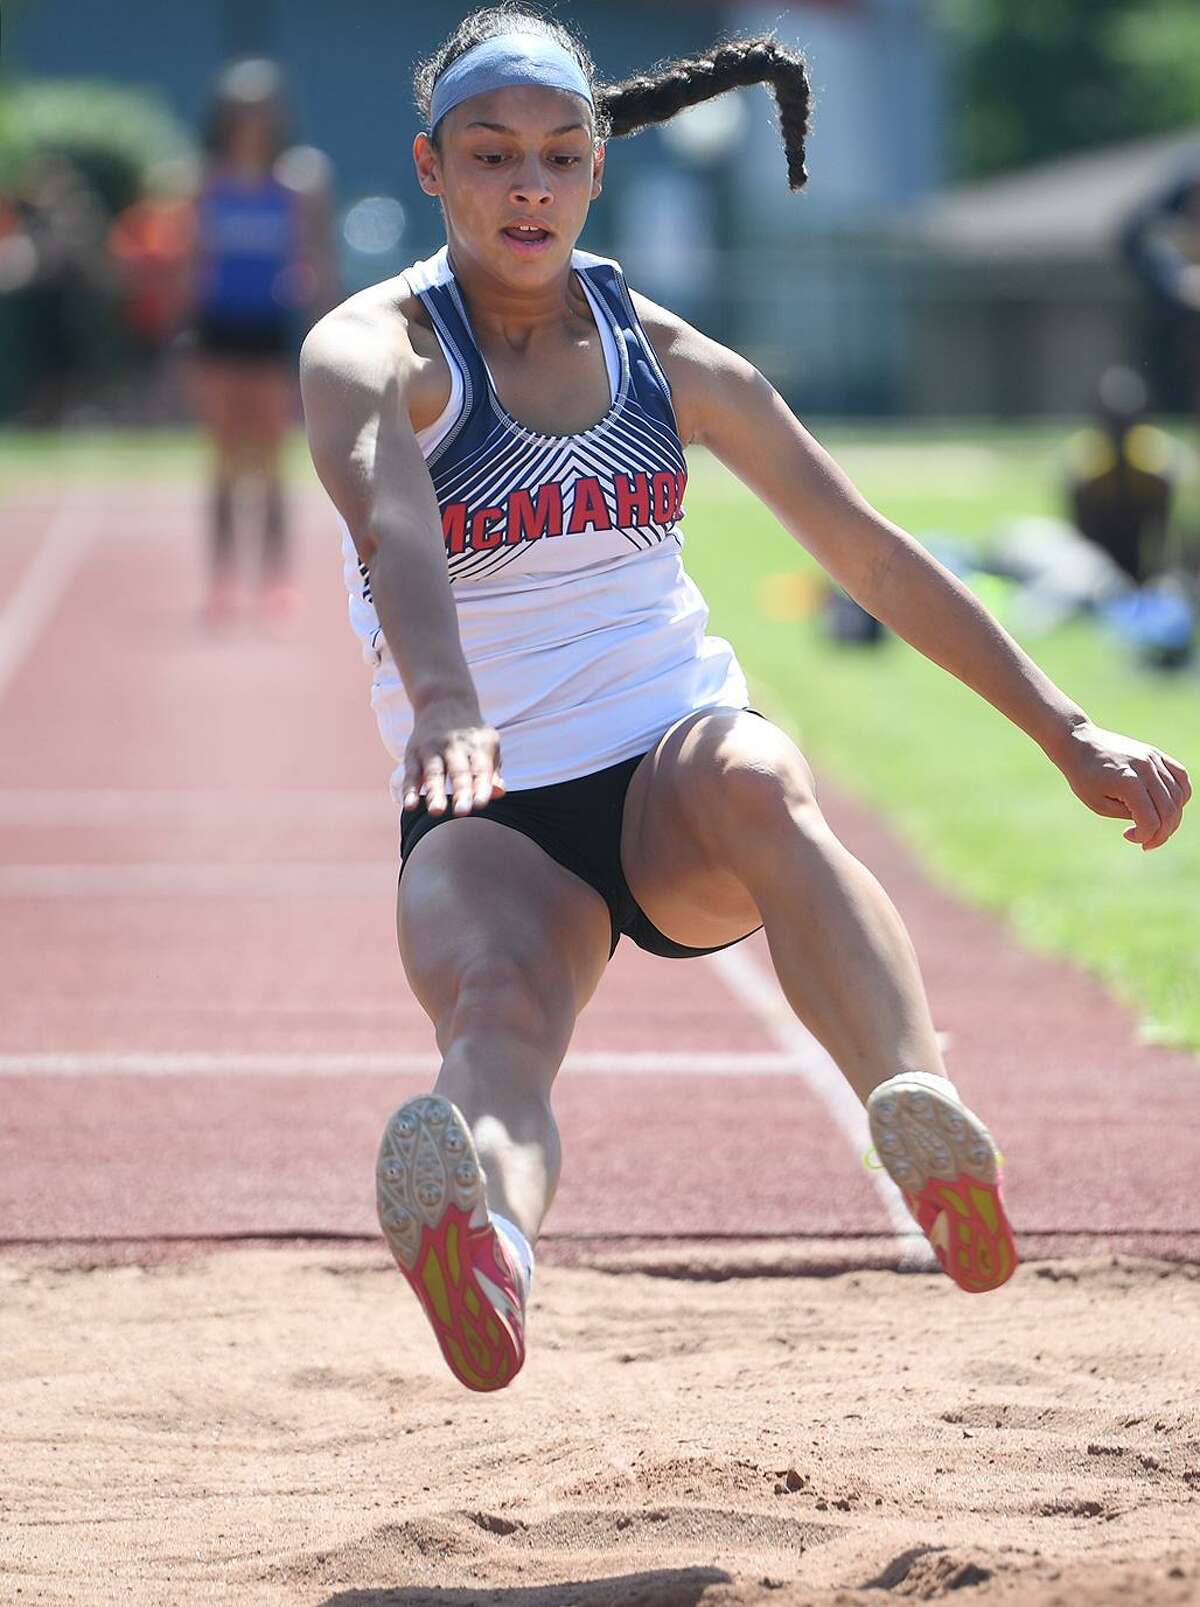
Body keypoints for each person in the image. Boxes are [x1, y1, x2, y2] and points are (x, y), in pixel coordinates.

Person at [300, 9, 1192, 1393]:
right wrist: (445, 702)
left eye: (557, 156)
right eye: (491, 157)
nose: (526, 186)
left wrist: (1064, 728)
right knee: (496, 1006)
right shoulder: (372, 350)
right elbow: (397, 527)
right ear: (431, 167)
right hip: (486, 794)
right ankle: (488, 1247)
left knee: (758, 773)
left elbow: (873, 552)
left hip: (670, 769)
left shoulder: (670, 355)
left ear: (597, 171)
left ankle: (918, 1106)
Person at [186, 58, 337, 628]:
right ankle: (222, 578)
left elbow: (318, 260)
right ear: (225, 117)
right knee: (224, 460)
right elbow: (194, 263)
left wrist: (327, 323)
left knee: (272, 459)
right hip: (219, 329)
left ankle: (275, 578)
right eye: (243, 111)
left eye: (262, 111)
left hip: (271, 331)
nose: (253, 121)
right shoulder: (205, 180)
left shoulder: (300, 180)